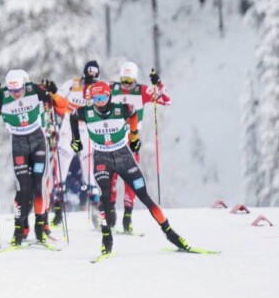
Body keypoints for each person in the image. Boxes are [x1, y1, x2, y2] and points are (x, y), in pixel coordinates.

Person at [69, 81, 190, 256]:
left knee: (144, 196)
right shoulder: (86, 112)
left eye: (103, 97)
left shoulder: (121, 109)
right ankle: (106, 239)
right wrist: (76, 139)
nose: (99, 102)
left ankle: (170, 233)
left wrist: (134, 136)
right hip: (102, 158)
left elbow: (133, 113)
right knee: (105, 196)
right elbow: (72, 116)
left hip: (123, 157)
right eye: (96, 98)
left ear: (109, 96)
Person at [0, 69, 68, 245]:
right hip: (19, 144)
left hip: (38, 141)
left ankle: (41, 228)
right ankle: (20, 229)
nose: (16, 94)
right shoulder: (2, 96)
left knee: (39, 185)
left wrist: (54, 93)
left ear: (24, 85)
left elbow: (62, 108)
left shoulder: (34, 90)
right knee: (23, 188)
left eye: (19, 90)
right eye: (12, 91)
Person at [108, 62, 171, 233]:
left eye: (129, 81)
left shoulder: (142, 90)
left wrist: (159, 84)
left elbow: (166, 100)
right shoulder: (112, 88)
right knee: (111, 175)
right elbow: (91, 94)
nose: (126, 84)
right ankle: (110, 212)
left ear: (135, 79)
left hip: (132, 138)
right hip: (113, 137)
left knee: (130, 177)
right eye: (123, 80)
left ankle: (127, 216)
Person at [54, 60, 102, 227]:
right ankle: (57, 213)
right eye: (88, 79)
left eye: (94, 80)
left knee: (90, 177)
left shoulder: (98, 89)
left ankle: (97, 214)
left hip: (87, 134)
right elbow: (58, 101)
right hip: (68, 130)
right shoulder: (71, 84)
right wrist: (58, 107)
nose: (90, 83)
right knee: (60, 174)